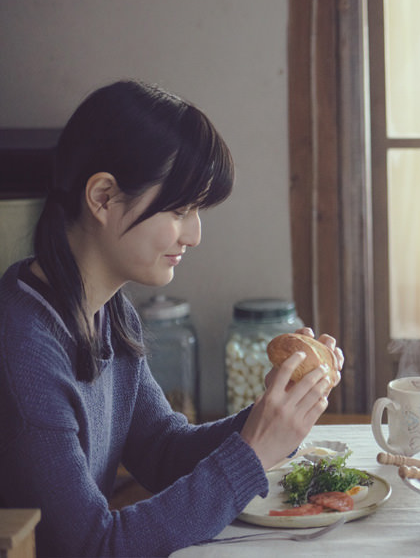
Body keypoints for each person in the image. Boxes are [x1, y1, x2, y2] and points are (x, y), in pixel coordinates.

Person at [0, 79, 346, 556]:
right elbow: (93, 546)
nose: (195, 235)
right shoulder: (22, 347)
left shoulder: (107, 311)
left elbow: (163, 452)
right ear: (102, 197)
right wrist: (254, 450)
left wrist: (279, 409)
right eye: (181, 209)